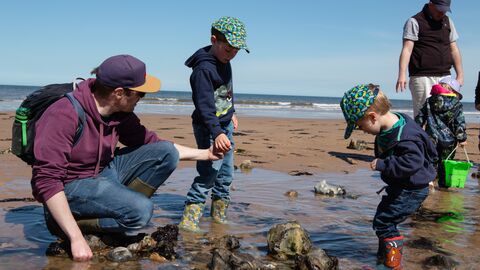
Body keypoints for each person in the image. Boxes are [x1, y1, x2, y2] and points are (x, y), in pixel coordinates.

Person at [31, 54, 224, 261]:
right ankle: (67, 225)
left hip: (104, 174)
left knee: (165, 152)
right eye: (140, 94)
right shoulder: (63, 114)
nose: (142, 99)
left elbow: (153, 143)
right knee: (141, 212)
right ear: (119, 93)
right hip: (71, 187)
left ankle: (122, 210)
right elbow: (46, 181)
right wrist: (76, 238)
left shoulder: (119, 113)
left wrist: (206, 154)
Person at [340, 84, 438, 269]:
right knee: (382, 219)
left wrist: (384, 164)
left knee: (384, 221)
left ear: (372, 117)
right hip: (401, 186)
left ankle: (392, 265)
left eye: (360, 126)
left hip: (411, 189)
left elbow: (412, 162)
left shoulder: (406, 136)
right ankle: (383, 257)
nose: (362, 131)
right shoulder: (393, 125)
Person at [179, 16, 249, 232]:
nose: (233, 54)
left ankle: (218, 216)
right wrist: (217, 132)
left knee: (227, 173)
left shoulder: (224, 61)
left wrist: (232, 111)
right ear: (214, 40)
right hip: (209, 128)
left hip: (224, 125)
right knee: (209, 171)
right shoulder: (203, 70)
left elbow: (227, 92)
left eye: (237, 50)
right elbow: (205, 106)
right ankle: (189, 221)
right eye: (229, 49)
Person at [395, 0, 464, 118]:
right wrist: (402, 74)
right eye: (439, 9)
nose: (442, 13)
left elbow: (454, 49)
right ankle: (422, 137)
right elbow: (407, 49)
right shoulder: (414, 21)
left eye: (445, 10)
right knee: (423, 114)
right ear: (431, 4)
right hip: (422, 76)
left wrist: (460, 75)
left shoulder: (448, 22)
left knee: (444, 114)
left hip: (445, 77)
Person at [415, 76, 466, 188]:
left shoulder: (429, 101)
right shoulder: (456, 104)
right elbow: (459, 123)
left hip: (430, 138)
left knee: (430, 160)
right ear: (453, 91)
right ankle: (443, 186)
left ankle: (429, 181)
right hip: (449, 141)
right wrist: (462, 138)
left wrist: (416, 131)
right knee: (445, 163)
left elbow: (420, 117)